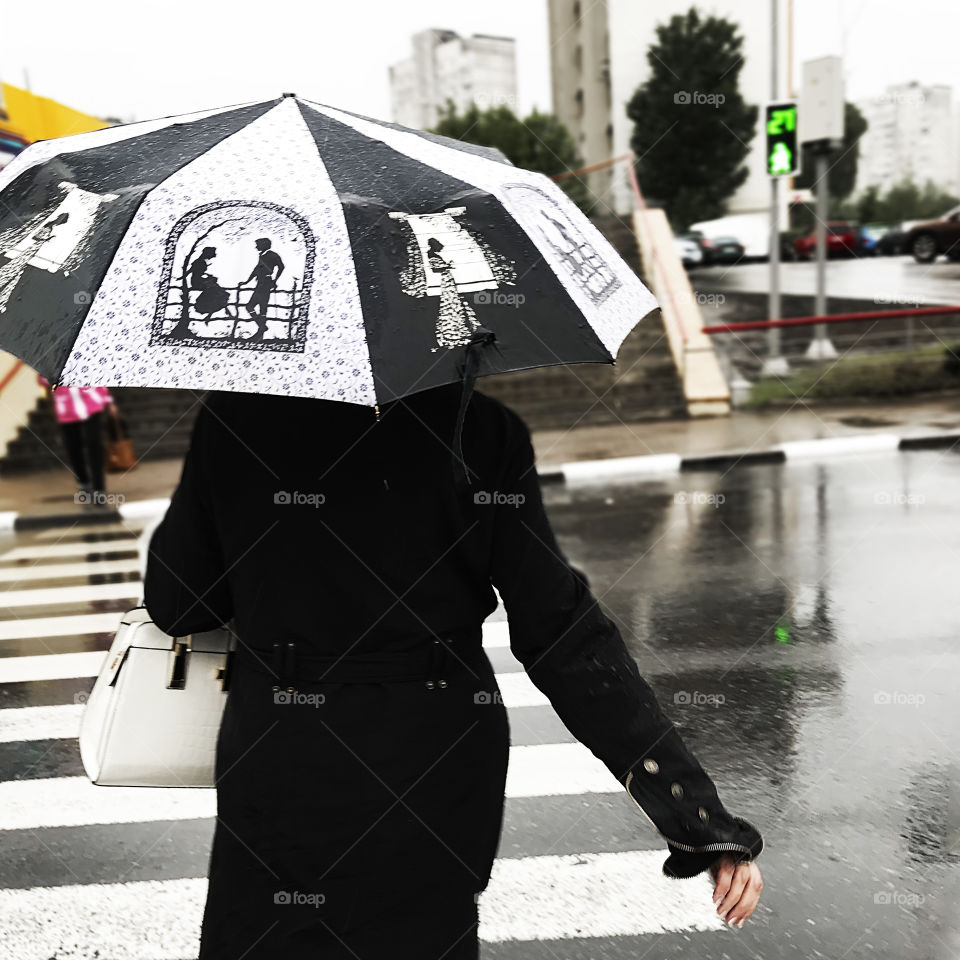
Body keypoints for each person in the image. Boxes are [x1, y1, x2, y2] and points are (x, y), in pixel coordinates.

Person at [143, 385, 763, 960]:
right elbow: (563, 632)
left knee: (271, 932)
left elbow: (181, 604)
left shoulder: (237, 419)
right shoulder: (479, 429)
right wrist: (696, 818)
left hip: (285, 749)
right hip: (432, 754)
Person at [37, 375, 113, 508]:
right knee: (73, 448)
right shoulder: (53, 360)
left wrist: (108, 401)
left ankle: (99, 489)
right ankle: (83, 483)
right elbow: (43, 380)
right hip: (66, 407)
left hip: (91, 401)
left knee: (95, 446)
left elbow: (100, 374)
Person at [239, 237, 284, 341]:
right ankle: (261, 328)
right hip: (260, 284)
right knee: (251, 307)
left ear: (264, 245)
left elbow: (281, 267)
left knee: (259, 308)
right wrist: (246, 282)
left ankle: (260, 332)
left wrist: (275, 281)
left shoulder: (272, 255)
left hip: (266, 284)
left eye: (258, 245)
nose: (256, 247)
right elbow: (256, 270)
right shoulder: (262, 255)